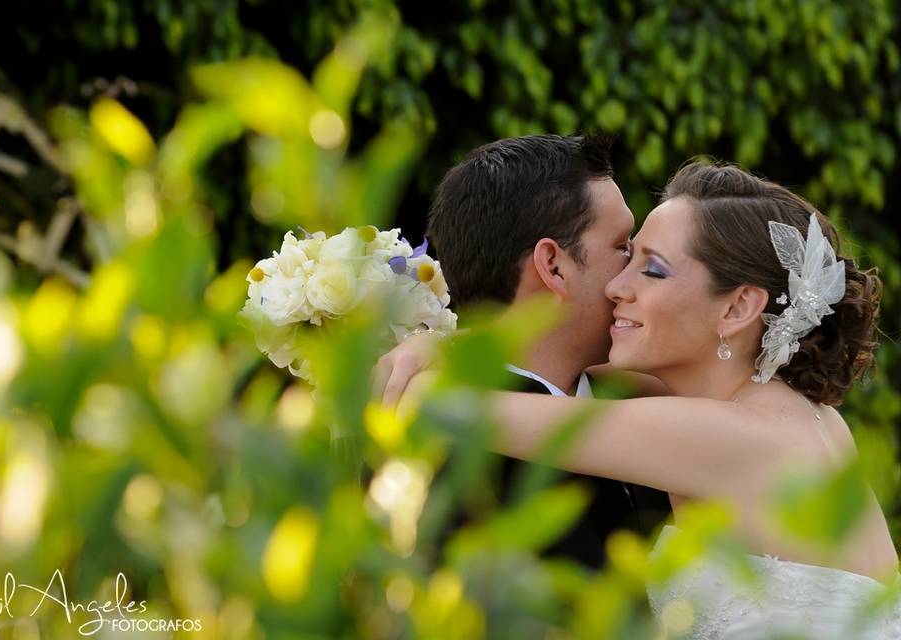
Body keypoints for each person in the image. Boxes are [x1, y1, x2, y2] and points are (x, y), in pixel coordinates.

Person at [386, 161, 901, 637]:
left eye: (652, 270)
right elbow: (570, 362)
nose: (616, 287)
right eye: (626, 255)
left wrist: (419, 353)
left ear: (739, 306)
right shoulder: (797, 411)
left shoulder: (723, 436)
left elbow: (453, 410)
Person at [373, 133, 670, 569]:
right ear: (553, 265)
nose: (635, 274)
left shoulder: (653, 398)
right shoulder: (446, 467)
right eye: (622, 246)